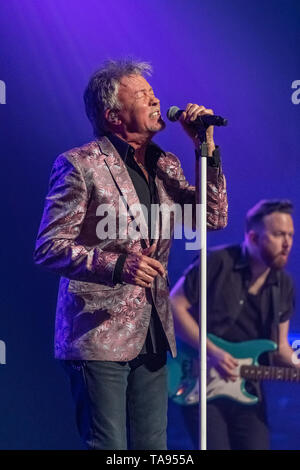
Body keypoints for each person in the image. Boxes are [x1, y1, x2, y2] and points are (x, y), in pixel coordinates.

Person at [33, 59, 227, 450]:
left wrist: (204, 148)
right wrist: (120, 264)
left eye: (154, 94)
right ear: (113, 115)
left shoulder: (165, 164)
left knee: (153, 449)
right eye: (143, 96)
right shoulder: (80, 165)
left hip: (153, 330)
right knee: (111, 448)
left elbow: (214, 217)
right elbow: (49, 247)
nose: (156, 101)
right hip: (98, 332)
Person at [170, 199, 297, 450]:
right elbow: (174, 306)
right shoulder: (217, 262)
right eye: (278, 234)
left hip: (249, 389)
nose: (287, 243)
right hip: (199, 380)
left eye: (291, 235)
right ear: (252, 237)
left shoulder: (284, 285)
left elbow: (281, 347)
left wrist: (296, 365)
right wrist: (212, 351)